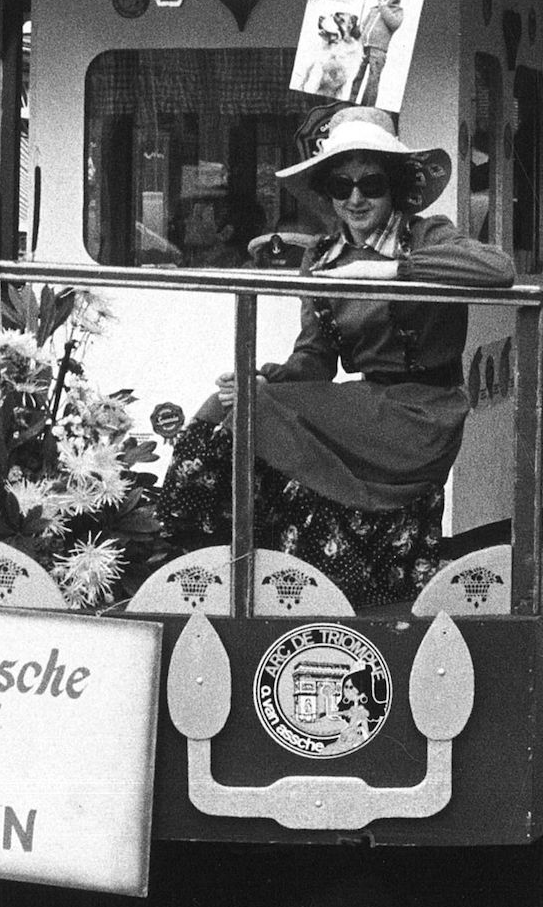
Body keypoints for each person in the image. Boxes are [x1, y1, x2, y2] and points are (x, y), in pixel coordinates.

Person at [157, 106, 515, 608]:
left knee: (256, 410)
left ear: (393, 187)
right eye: (341, 186)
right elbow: (315, 361)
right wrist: (262, 378)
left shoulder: (429, 236)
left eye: (370, 184)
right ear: (327, 193)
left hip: (425, 413)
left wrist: (394, 272)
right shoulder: (322, 258)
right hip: (363, 405)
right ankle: (197, 557)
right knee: (232, 404)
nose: (355, 198)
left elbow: (500, 270)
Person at [354, 0, 404, 106]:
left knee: (372, 80)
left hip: (378, 51)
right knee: (356, 76)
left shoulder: (396, 11)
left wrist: (383, 7)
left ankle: (366, 106)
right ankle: (350, 100)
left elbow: (394, 24)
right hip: (364, 48)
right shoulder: (373, 10)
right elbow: (364, 26)